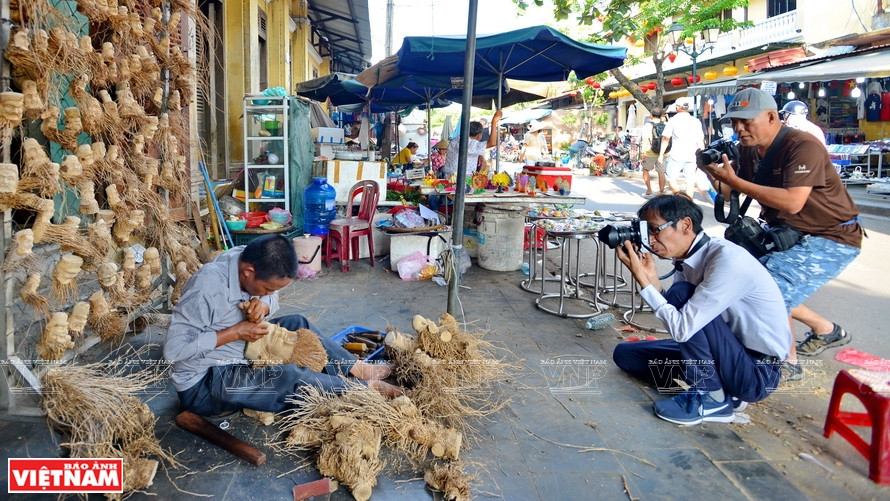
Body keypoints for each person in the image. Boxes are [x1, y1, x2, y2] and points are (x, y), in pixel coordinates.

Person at [699, 88, 862, 382]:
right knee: (749, 280)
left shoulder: (802, 146)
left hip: (831, 235)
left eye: (747, 121)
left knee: (772, 288)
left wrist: (735, 180)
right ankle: (826, 329)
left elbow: (792, 201)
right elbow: (729, 190)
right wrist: (712, 173)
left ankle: (788, 363)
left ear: (772, 116)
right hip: (789, 232)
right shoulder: (749, 150)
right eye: (735, 121)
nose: (739, 128)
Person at [163, 234, 401, 416]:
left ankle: (357, 370)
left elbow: (271, 299)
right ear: (249, 272)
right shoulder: (206, 289)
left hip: (244, 350)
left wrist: (264, 304)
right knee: (286, 377)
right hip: (206, 382)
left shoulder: (243, 257)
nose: (271, 294)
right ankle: (364, 390)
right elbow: (173, 351)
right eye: (268, 289)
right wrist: (234, 332)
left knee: (298, 323)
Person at [612, 195, 789, 425]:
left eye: (655, 230)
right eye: (646, 232)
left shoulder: (727, 261)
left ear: (685, 225)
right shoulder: (688, 259)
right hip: (722, 353)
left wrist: (644, 284)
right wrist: (654, 283)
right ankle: (723, 388)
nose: (650, 241)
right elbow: (683, 323)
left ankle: (713, 398)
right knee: (626, 355)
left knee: (680, 293)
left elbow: (682, 329)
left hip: (755, 372)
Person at [658, 97, 710, 201]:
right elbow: (701, 139)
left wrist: (661, 155)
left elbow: (665, 138)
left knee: (670, 177)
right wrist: (702, 154)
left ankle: (680, 197)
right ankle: (689, 200)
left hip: (677, 154)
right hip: (693, 154)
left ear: (677, 107)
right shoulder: (695, 121)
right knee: (690, 180)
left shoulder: (673, 121)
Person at [442, 109, 502, 183]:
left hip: (449, 177)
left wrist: (480, 155)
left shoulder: (457, 139)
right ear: (479, 135)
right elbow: (492, 143)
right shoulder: (469, 143)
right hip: (459, 181)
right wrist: (494, 121)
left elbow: (467, 151)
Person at [639, 107, 667, 197]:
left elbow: (645, 140)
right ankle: (661, 192)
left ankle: (649, 190)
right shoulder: (665, 124)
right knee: (661, 172)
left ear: (651, 115)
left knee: (646, 170)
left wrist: (643, 153)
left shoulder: (648, 125)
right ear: (661, 116)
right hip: (663, 153)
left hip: (650, 152)